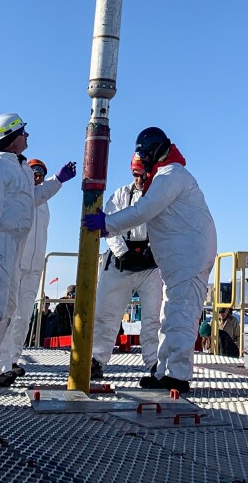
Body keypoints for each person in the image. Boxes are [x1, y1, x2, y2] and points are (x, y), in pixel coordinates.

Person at [84, 127, 217, 393]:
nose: (142, 164)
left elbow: (143, 211)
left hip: (185, 260)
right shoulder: (161, 178)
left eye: (144, 156)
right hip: (173, 260)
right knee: (170, 315)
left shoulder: (171, 176)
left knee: (179, 316)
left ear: (154, 152)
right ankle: (163, 371)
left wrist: (106, 225)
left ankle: (177, 375)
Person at [0, 112, 77, 395]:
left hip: (10, 248)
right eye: (23, 132)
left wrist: (58, 180)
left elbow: (31, 199)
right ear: (12, 139)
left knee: (6, 310)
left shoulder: (18, 168)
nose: (28, 137)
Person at [90, 153, 163, 380]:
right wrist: (123, 253)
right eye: (136, 175)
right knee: (106, 314)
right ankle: (96, 359)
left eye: (144, 175)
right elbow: (109, 226)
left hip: (151, 264)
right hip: (121, 263)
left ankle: (155, 363)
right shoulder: (121, 195)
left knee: (153, 318)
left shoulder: (159, 196)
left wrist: (154, 250)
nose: (140, 180)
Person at [0, 158, 66, 379]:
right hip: (16, 262)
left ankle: (12, 360)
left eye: (41, 173)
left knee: (23, 316)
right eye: (34, 171)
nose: (38, 176)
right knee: (8, 314)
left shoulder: (44, 202)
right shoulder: (20, 195)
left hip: (35, 266)